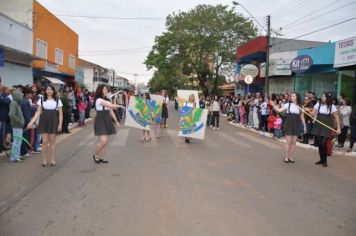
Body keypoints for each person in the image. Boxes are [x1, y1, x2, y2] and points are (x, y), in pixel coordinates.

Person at [27, 85, 63, 167]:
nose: (49, 91)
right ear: (45, 91)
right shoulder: (42, 99)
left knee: (53, 143)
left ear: (53, 91)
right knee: (44, 142)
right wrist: (31, 122)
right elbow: (38, 112)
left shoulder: (58, 100)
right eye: (47, 89)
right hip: (44, 122)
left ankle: (53, 160)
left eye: (51, 89)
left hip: (54, 122)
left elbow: (60, 114)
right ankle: (44, 160)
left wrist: (60, 124)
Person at [272, 92, 306, 163]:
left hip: (296, 124)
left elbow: (302, 117)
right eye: (291, 96)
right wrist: (273, 105)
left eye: (293, 96)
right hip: (289, 124)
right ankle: (286, 157)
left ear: (297, 97)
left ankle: (290, 157)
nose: (292, 97)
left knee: (294, 142)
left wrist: (304, 126)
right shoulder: (287, 105)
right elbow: (279, 110)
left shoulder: (300, 106)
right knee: (288, 141)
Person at [92, 85, 123, 164]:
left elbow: (111, 110)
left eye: (106, 89)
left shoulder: (107, 99)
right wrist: (120, 105)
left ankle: (102, 157)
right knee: (103, 141)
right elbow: (111, 106)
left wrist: (116, 121)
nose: (106, 90)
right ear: (100, 90)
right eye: (105, 89)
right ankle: (95, 155)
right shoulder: (98, 100)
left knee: (106, 142)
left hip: (107, 120)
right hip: (100, 120)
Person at [310, 93, 341, 167]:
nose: (322, 97)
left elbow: (336, 117)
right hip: (319, 124)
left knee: (324, 143)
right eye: (322, 96)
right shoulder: (318, 104)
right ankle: (321, 160)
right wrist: (307, 110)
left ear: (327, 98)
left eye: (324, 96)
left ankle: (325, 161)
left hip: (327, 125)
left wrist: (338, 128)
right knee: (320, 143)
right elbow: (312, 113)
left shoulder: (332, 106)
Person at [9, 91, 25, 162]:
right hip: (16, 126)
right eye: (21, 96)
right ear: (17, 96)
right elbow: (11, 114)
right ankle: (14, 157)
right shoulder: (14, 103)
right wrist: (19, 121)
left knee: (19, 141)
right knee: (17, 141)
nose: (22, 97)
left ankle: (17, 156)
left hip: (18, 126)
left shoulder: (17, 103)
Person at [20, 87, 33, 157]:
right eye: (31, 94)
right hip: (25, 122)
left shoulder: (23, 101)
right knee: (25, 137)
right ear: (27, 94)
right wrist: (29, 123)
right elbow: (26, 114)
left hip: (22, 122)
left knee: (24, 137)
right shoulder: (25, 101)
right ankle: (24, 152)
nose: (32, 95)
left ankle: (24, 151)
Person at [0, 85, 11, 153]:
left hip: (4, 117)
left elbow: (7, 101)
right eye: (7, 90)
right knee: (1, 133)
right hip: (1, 117)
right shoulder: (3, 96)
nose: (8, 91)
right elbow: (6, 101)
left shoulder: (4, 96)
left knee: (2, 133)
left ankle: (2, 146)